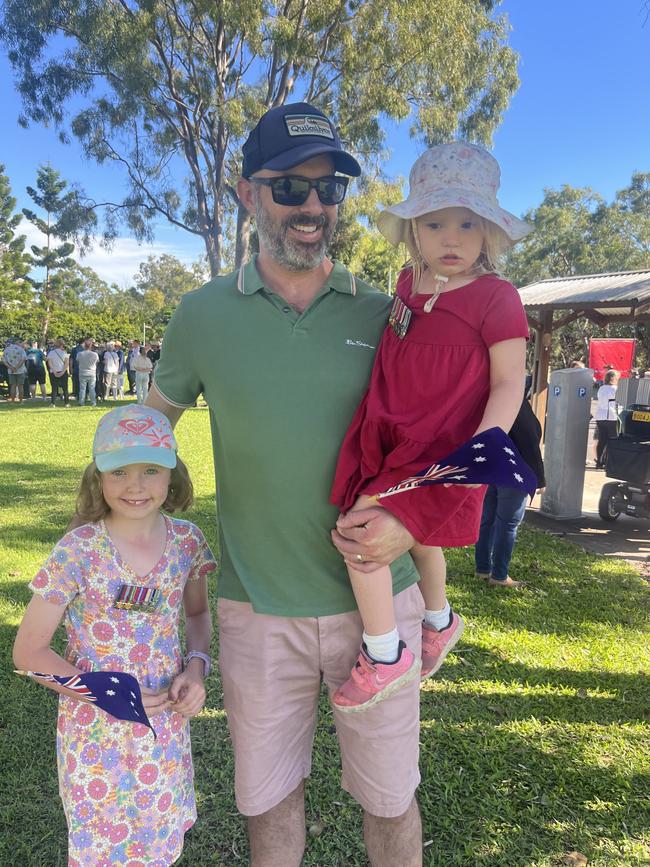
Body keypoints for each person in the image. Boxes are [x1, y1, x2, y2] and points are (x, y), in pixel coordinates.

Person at [146, 102, 424, 867]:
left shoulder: (386, 315)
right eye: (289, 188)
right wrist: (105, 540)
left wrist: (412, 522)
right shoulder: (202, 315)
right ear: (246, 193)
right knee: (270, 805)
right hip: (255, 609)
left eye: (329, 188)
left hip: (380, 606)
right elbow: (144, 435)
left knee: (392, 800)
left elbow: (436, 444)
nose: (312, 207)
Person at [330, 142, 531, 710]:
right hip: (390, 430)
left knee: (361, 537)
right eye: (435, 222)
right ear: (413, 228)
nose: (451, 237)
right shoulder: (405, 284)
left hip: (447, 445)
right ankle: (439, 620)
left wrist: (484, 447)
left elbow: (508, 381)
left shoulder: (497, 297)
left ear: (489, 230)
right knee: (417, 539)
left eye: (468, 223)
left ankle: (385, 652)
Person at [13, 404, 217, 866]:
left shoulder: (187, 542)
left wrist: (197, 666)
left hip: (163, 719)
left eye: (151, 469)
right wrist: (109, 693)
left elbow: (199, 614)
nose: (136, 485)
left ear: (173, 474)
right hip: (95, 730)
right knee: (102, 846)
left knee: (159, 839)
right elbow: (28, 652)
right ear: (97, 479)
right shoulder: (79, 550)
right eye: (119, 471)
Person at [474, 384, 545, 587]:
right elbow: (529, 439)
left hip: (490, 468)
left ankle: (482, 569)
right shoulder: (513, 402)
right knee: (507, 524)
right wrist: (539, 479)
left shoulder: (486, 399)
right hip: (515, 471)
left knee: (486, 520)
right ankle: (499, 575)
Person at [594, 369, 620, 468]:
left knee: (602, 440)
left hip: (600, 416)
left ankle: (599, 462)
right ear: (613, 378)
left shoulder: (601, 388)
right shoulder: (615, 389)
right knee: (612, 440)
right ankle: (610, 462)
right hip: (611, 416)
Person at [46, 338, 71, 407]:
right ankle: (67, 403)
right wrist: (63, 372)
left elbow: (49, 362)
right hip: (62, 371)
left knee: (54, 388)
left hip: (53, 372)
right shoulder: (64, 353)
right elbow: (66, 363)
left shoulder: (51, 353)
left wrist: (54, 371)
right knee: (65, 388)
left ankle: (53, 403)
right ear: (62, 345)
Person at [76, 338, 100, 406]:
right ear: (91, 346)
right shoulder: (95, 354)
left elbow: (78, 361)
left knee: (82, 388)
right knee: (92, 388)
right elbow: (97, 362)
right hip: (92, 372)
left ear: (84, 346)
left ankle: (81, 402)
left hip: (82, 372)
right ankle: (93, 402)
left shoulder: (80, 354)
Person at [3, 337, 27, 402]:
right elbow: (23, 359)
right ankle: (21, 401)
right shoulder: (21, 349)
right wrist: (17, 367)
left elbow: (4, 361)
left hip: (10, 371)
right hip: (20, 370)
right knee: (20, 386)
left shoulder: (6, 350)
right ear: (16, 342)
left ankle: (13, 400)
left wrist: (10, 367)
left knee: (13, 386)